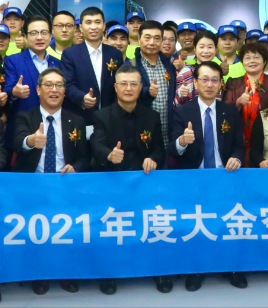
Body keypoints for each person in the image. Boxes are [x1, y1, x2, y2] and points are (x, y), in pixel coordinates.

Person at [89, 64, 169, 294]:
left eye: (133, 84)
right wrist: (109, 155)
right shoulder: (102, 115)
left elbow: (159, 148)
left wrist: (153, 158)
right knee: (111, 230)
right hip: (113, 182)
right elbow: (96, 144)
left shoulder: (151, 116)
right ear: (115, 87)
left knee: (153, 227)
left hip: (144, 182)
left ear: (140, 87)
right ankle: (109, 274)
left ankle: (158, 271)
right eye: (123, 83)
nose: (128, 88)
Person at [169, 60, 246, 291]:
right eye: (205, 79)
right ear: (195, 82)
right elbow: (172, 149)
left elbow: (239, 145)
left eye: (214, 80)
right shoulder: (182, 111)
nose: (210, 84)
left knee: (228, 224)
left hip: (226, 178)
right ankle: (196, 270)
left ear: (221, 84)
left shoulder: (230, 111)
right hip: (195, 180)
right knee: (198, 226)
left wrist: (237, 158)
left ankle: (232, 268)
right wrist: (182, 141)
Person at [14, 67, 88, 295]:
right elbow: (18, 141)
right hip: (34, 186)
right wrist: (31, 141)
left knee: (66, 232)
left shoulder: (76, 120)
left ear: (65, 91)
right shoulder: (25, 117)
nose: (54, 90)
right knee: (37, 233)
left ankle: (65, 273)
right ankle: (40, 274)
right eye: (49, 85)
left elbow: (84, 157)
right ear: (38, 90)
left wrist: (76, 168)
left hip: (65, 184)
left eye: (59, 85)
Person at [4, 15, 61, 156]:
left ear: (51, 35)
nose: (39, 37)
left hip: (53, 126)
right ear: (26, 36)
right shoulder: (13, 60)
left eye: (44, 32)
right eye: (34, 33)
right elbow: (7, 88)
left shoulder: (58, 62)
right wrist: (14, 92)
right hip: (23, 126)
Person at [62, 7, 124, 125]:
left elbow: (120, 84)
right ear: (81, 27)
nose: (93, 27)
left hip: (111, 117)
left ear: (104, 26)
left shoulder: (115, 53)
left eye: (97, 22)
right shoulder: (70, 54)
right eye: (88, 22)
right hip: (81, 117)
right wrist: (82, 98)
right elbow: (67, 84)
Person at [125, 20, 176, 153]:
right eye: (147, 38)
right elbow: (123, 99)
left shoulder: (169, 66)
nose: (152, 43)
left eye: (157, 38)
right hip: (139, 136)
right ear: (139, 38)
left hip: (166, 134)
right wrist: (146, 92)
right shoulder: (130, 66)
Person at [224, 42, 268, 166]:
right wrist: (238, 103)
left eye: (256, 57)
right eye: (247, 58)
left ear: (264, 61)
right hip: (238, 141)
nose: (252, 61)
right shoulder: (233, 82)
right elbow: (224, 111)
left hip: (267, 140)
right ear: (242, 62)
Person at [175, 30, 219, 106]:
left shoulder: (217, 72)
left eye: (210, 47)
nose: (206, 51)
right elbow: (175, 104)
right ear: (195, 49)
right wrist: (181, 94)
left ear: (215, 50)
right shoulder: (186, 72)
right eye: (202, 47)